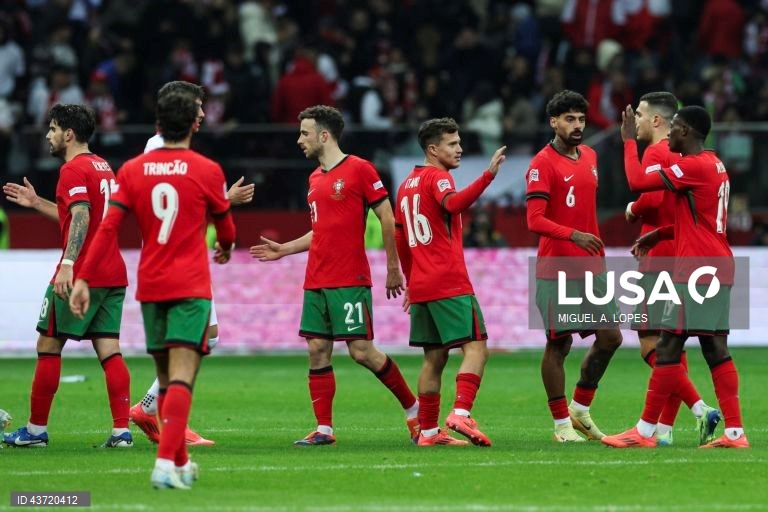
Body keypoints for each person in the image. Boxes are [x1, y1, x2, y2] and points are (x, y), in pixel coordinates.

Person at [70, 91, 236, 488]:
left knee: (164, 376)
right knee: (182, 377)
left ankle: (180, 461)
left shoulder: (132, 170)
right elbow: (227, 230)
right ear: (192, 123)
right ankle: (164, 464)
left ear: (159, 123)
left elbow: (108, 228)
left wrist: (82, 277)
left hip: (152, 286)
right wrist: (226, 247)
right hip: (190, 285)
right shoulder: (208, 169)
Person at [250, 105, 419, 446]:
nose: (299, 140)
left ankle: (414, 411)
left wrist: (393, 267)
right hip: (316, 279)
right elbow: (321, 230)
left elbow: (387, 218)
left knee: (362, 351)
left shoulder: (360, 169)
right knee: (317, 350)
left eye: (305, 133)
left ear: (324, 135)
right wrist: (285, 249)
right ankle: (324, 429)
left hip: (348, 278)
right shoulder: (314, 179)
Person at [602, 106, 748, 449]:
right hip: (716, 264)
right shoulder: (714, 164)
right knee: (714, 348)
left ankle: (645, 432)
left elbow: (638, 182)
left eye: (676, 128)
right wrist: (661, 233)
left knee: (667, 346)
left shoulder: (694, 166)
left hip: (696, 269)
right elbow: (701, 220)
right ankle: (735, 433)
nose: (669, 134)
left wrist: (628, 142)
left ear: (688, 132)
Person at [129, 80, 254, 447]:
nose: (202, 114)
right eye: (198, 107)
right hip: (177, 260)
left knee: (206, 335)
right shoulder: (160, 149)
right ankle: (169, 423)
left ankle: (151, 409)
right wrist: (225, 200)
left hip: (182, 255)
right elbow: (175, 204)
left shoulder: (165, 150)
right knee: (190, 340)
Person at [2, 104, 132, 449]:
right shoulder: (102, 166)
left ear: (69, 134)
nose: (48, 135)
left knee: (48, 345)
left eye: (53, 128)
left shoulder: (72, 169)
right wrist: (37, 203)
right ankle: (121, 432)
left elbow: (82, 216)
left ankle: (35, 431)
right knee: (109, 349)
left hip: (83, 272)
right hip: (112, 272)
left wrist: (68, 264)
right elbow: (81, 213)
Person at [395, 117, 506, 446]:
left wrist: (411, 280)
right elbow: (453, 203)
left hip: (422, 285)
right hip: (448, 280)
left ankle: (428, 433)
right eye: (452, 144)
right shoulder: (438, 177)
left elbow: (401, 239)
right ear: (433, 149)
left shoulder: (406, 185)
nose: (459, 149)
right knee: (477, 347)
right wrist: (488, 176)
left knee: (434, 357)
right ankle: (461, 412)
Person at [525, 90, 623, 443]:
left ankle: (579, 409)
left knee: (611, 337)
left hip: (592, 267)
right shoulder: (541, 164)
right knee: (559, 344)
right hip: (557, 268)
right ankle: (561, 425)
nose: (577, 125)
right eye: (569, 119)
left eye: (581, 118)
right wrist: (573, 235)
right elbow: (534, 220)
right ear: (554, 122)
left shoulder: (591, 156)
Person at [623, 92, 721, 446]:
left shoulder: (656, 152)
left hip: (661, 258)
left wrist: (633, 209)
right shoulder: (685, 155)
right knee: (673, 343)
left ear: (656, 120)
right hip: (680, 252)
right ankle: (664, 429)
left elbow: (649, 196)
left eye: (640, 115)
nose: (635, 121)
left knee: (653, 344)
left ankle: (698, 409)